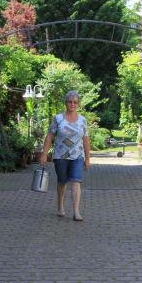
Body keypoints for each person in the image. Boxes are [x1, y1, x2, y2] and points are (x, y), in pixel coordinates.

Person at [40, 90, 90, 221]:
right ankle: (60, 206)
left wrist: (87, 159)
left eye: (75, 102)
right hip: (60, 156)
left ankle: (76, 211)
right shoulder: (58, 119)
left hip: (77, 156)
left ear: (78, 104)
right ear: (65, 103)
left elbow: (86, 140)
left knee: (76, 181)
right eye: (70, 102)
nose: (72, 104)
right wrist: (44, 154)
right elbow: (49, 136)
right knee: (62, 181)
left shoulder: (82, 120)